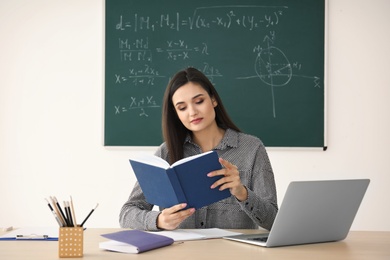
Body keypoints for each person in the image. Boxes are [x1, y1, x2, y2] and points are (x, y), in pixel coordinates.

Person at [119, 67, 278, 231]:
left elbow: (274, 221)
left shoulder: (252, 148)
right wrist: (158, 220)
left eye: (199, 101)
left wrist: (242, 192)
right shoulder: (166, 152)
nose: (192, 112)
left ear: (213, 100)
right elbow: (126, 214)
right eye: (182, 108)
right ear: (176, 114)